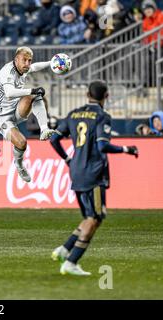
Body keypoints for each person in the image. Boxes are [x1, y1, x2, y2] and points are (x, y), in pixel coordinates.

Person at [50, 80, 139, 276]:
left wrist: (67, 159)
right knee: (96, 217)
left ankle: (65, 249)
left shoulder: (73, 114)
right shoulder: (102, 116)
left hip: (77, 170)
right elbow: (102, 146)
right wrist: (127, 149)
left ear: (87, 95)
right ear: (106, 96)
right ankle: (71, 262)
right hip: (94, 172)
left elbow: (53, 138)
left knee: (91, 217)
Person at [0, 46, 55, 183]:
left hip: (15, 109)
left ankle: (44, 129)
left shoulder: (23, 68)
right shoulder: (7, 72)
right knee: (22, 143)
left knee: (35, 96)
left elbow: (35, 67)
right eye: (24, 60)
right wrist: (32, 89)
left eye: (29, 60)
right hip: (0, 116)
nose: (27, 64)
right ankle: (19, 165)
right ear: (16, 59)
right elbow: (9, 93)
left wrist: (51, 63)